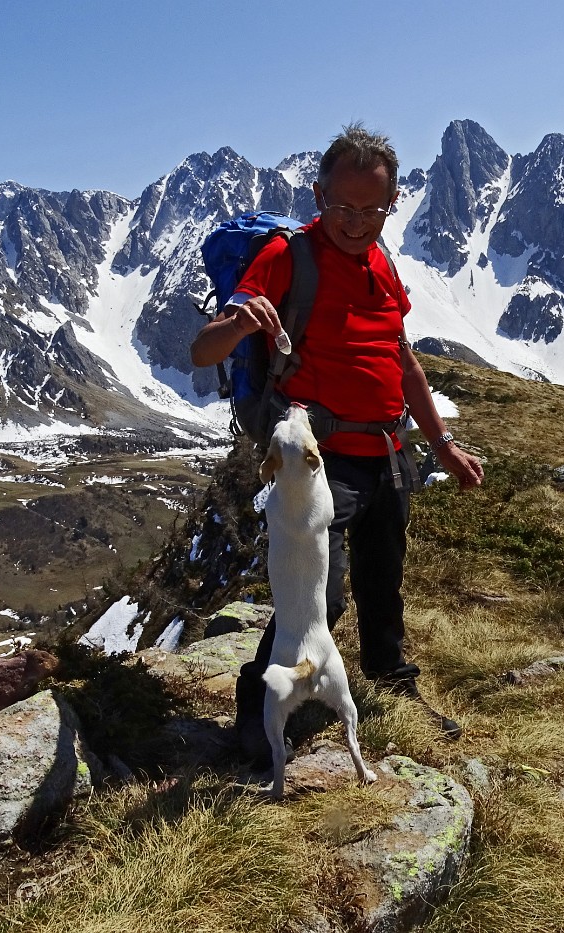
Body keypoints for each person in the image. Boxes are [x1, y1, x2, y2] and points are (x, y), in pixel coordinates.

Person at [190, 123, 485, 767]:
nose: (355, 221)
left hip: (387, 453)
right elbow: (202, 349)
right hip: (322, 456)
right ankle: (259, 712)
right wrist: (239, 320)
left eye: (372, 208)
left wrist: (442, 447)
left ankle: (389, 683)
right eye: (342, 206)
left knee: (385, 577)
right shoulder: (289, 258)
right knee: (314, 590)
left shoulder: (382, 262)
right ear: (319, 195)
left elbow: (401, 357)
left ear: (392, 201)